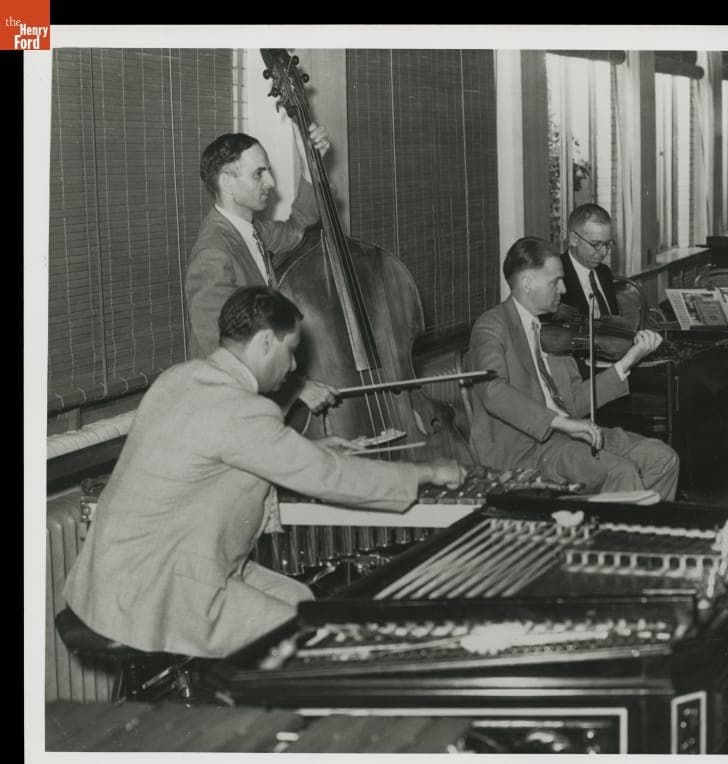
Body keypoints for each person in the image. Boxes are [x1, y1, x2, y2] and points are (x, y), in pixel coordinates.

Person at [63, 286, 465, 659]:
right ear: (265, 342)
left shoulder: (181, 378)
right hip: (156, 591)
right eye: (290, 351)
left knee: (304, 603)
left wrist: (306, 449)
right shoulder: (242, 409)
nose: (293, 366)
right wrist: (427, 472)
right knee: (307, 639)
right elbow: (328, 477)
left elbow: (221, 457)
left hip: (113, 577)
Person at [467, 237, 679, 497]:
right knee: (620, 471)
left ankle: (626, 529)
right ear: (527, 283)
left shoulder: (554, 330)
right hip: (528, 448)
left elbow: (576, 401)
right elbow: (492, 391)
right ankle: (619, 532)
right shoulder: (491, 326)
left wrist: (628, 361)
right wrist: (560, 423)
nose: (564, 288)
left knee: (663, 458)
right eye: (555, 281)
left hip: (568, 436)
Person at [185, 125, 334, 412]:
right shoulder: (213, 254)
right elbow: (223, 350)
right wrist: (296, 386)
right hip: (229, 406)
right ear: (228, 183)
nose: (271, 182)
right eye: (259, 173)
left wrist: (309, 166)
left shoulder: (252, 231)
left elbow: (297, 227)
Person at [558, 204, 620, 319]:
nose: (603, 252)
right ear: (574, 239)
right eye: (596, 244)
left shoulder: (604, 272)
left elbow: (615, 322)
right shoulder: (556, 276)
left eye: (607, 244)